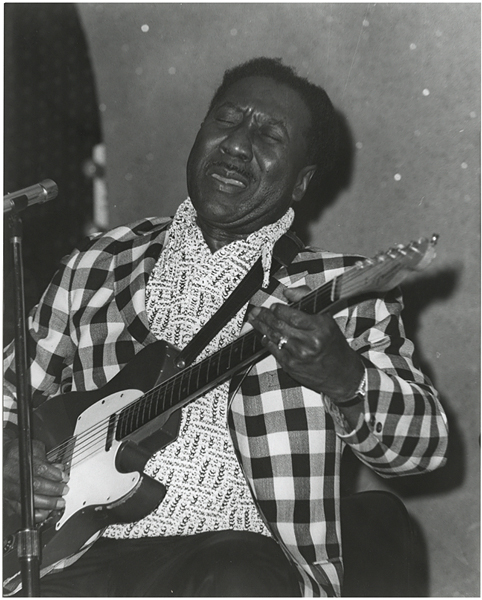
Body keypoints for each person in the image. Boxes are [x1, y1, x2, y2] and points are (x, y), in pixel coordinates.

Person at [3, 57, 448, 597]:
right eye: (227, 119)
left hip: (239, 557)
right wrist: (13, 457)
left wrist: (345, 376)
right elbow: (9, 396)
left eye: (269, 134)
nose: (237, 143)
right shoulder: (98, 263)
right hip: (78, 554)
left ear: (302, 181)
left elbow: (423, 448)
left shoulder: (340, 291)